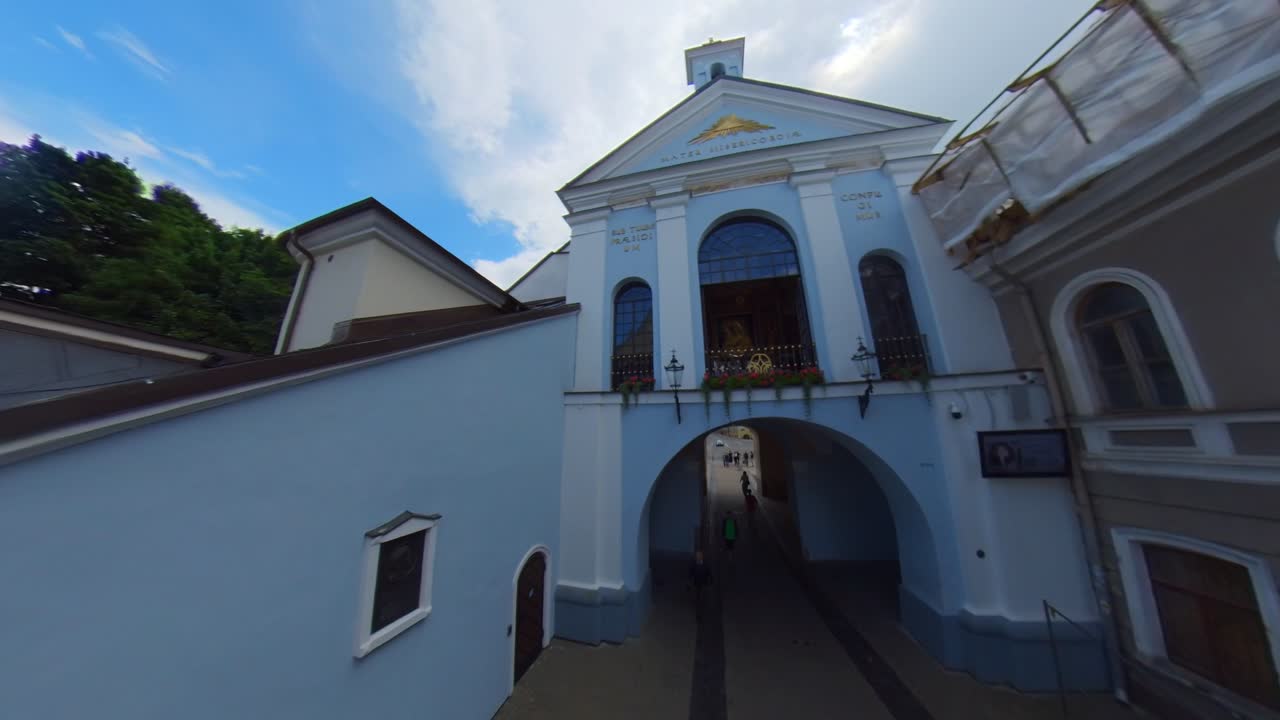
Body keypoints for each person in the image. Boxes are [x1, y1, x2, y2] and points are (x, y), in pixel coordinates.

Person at [688, 550, 712, 620]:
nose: (698, 557)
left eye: (699, 555)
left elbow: (709, 573)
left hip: (704, 584)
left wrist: (710, 581)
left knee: (703, 597)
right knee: (698, 598)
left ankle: (702, 609)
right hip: (697, 584)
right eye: (697, 556)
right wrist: (689, 583)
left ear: (702, 556)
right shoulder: (694, 564)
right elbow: (690, 574)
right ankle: (699, 613)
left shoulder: (705, 564)